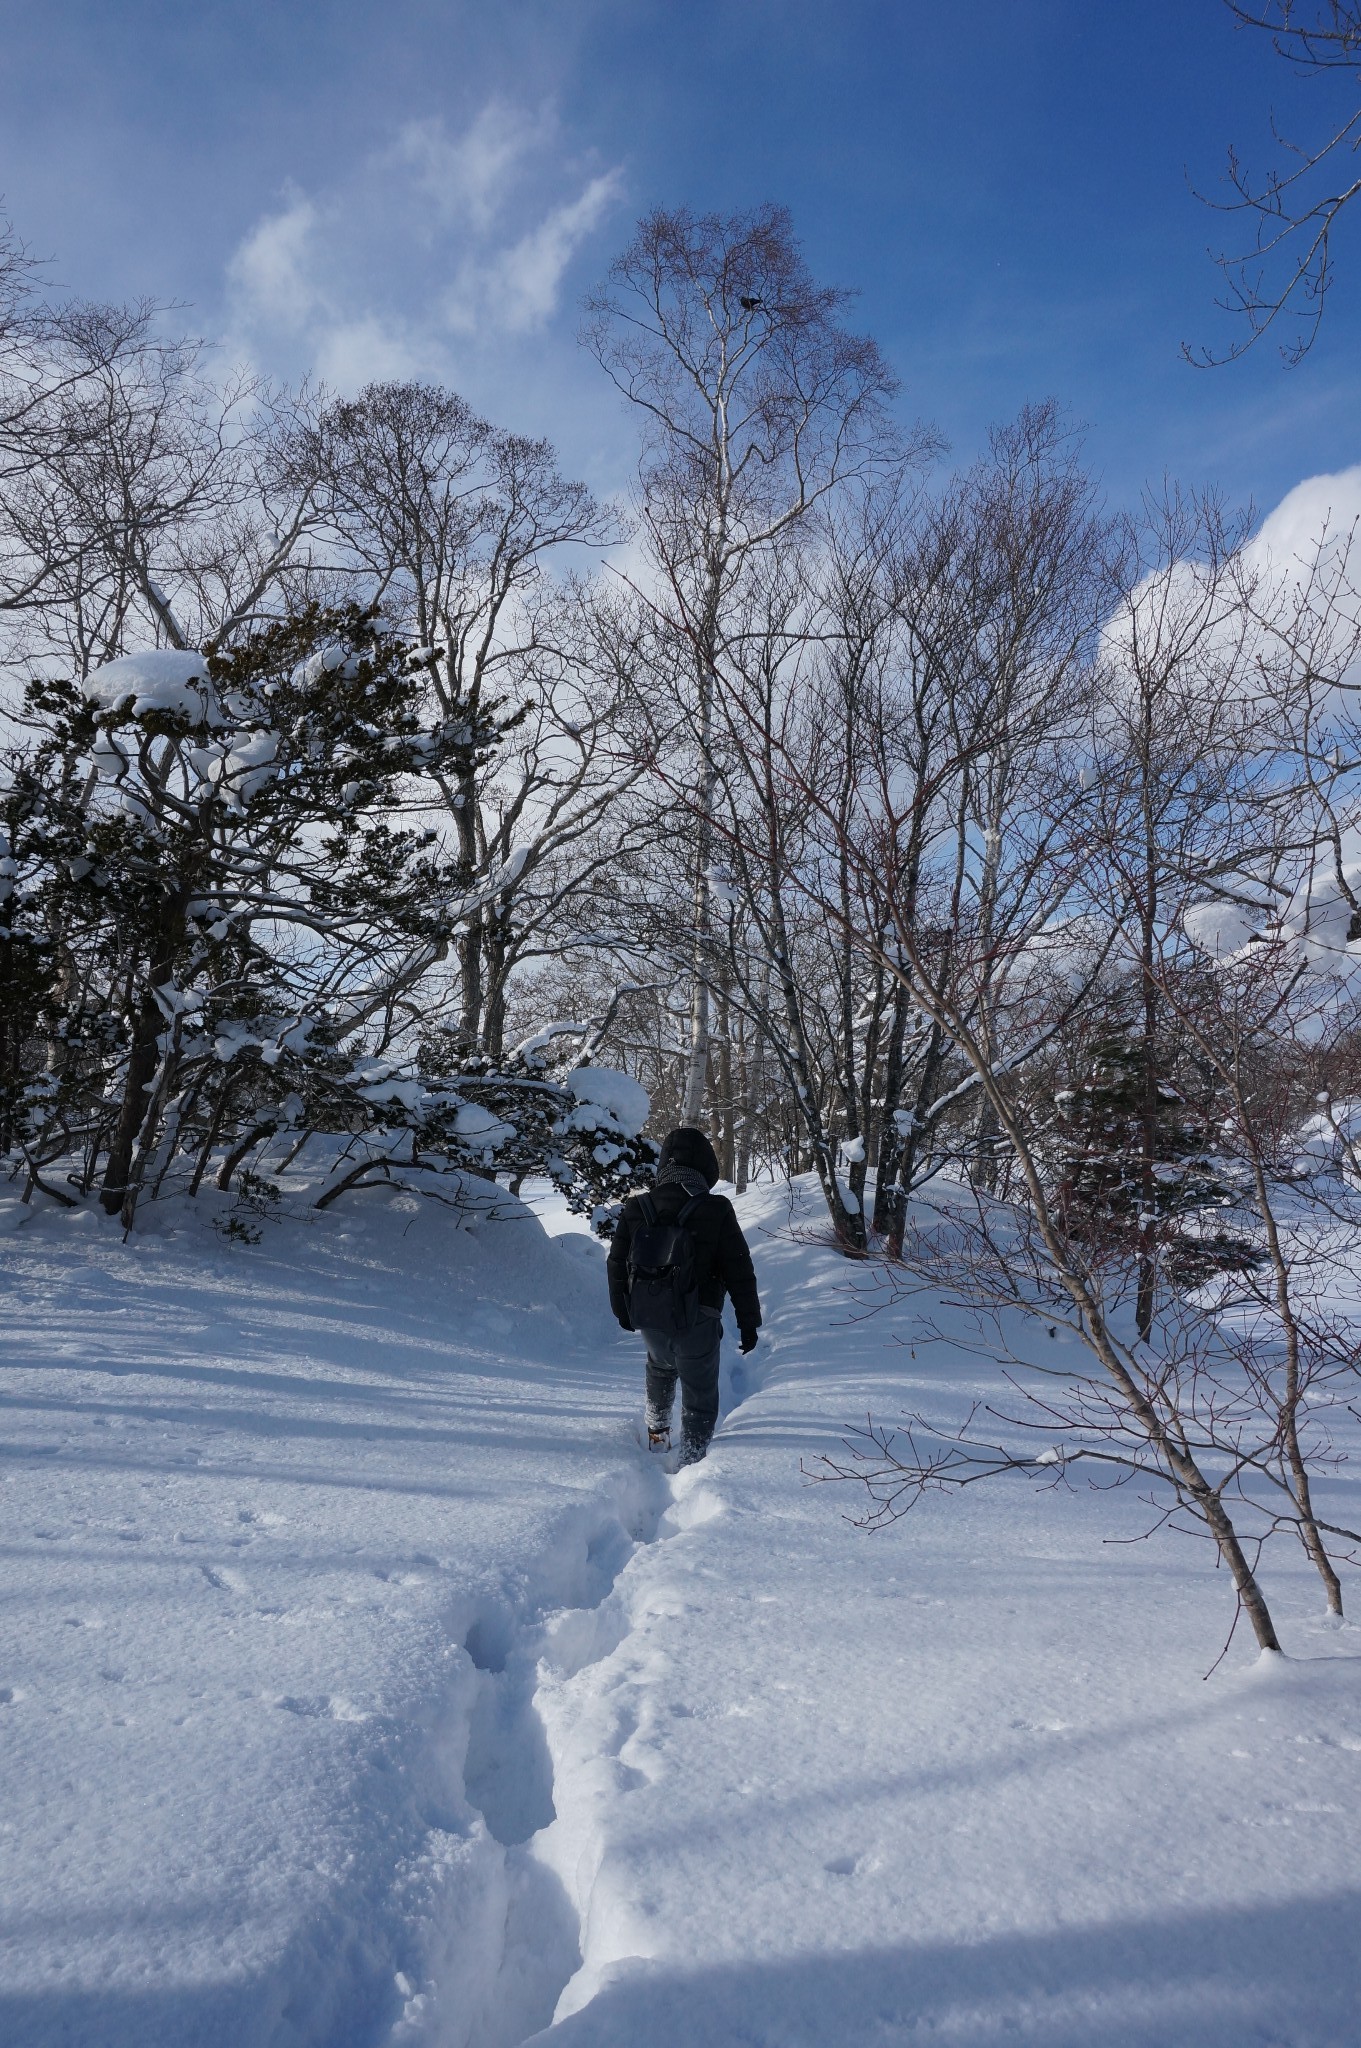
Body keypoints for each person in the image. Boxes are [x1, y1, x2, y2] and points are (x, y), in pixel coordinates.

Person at [607, 1125, 762, 1465]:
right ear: (706, 1168)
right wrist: (749, 1323)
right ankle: (692, 1461)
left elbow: (616, 1263)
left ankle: (657, 1436)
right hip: (698, 1319)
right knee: (700, 1395)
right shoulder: (716, 1209)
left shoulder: (638, 1207)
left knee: (660, 1369)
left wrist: (624, 1311)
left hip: (650, 1315)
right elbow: (739, 1271)